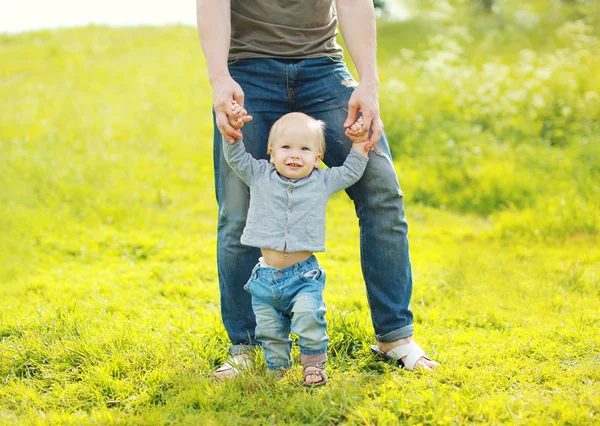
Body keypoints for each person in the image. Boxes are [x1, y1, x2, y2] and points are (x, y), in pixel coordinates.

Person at [196, 0, 439, 378]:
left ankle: (395, 337)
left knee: (381, 190)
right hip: (247, 70)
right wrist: (219, 78)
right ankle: (246, 348)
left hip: (323, 66)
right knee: (238, 209)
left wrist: (368, 85)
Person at [220, 102, 369, 386]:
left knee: (309, 316)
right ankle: (278, 369)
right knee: (269, 329)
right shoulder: (259, 175)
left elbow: (350, 172)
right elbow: (237, 159)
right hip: (264, 277)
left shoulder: (322, 181)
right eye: (286, 147)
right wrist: (234, 134)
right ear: (271, 153)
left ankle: (314, 364)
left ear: (317, 158)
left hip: (303, 276)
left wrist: (360, 145)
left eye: (304, 149)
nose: (295, 155)